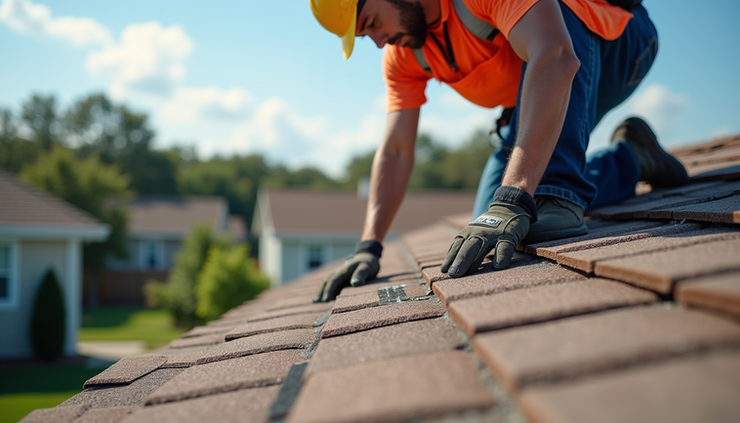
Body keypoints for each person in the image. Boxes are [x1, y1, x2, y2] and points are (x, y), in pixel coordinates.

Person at [310, 0, 688, 302]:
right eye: (365, 36)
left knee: (530, 203)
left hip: (619, 45)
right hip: (546, 87)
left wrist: (515, 195)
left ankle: (559, 190)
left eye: (372, 22)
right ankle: (633, 159)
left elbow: (555, 54)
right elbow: (395, 151)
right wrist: (369, 245)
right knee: (493, 228)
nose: (378, 41)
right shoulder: (404, 53)